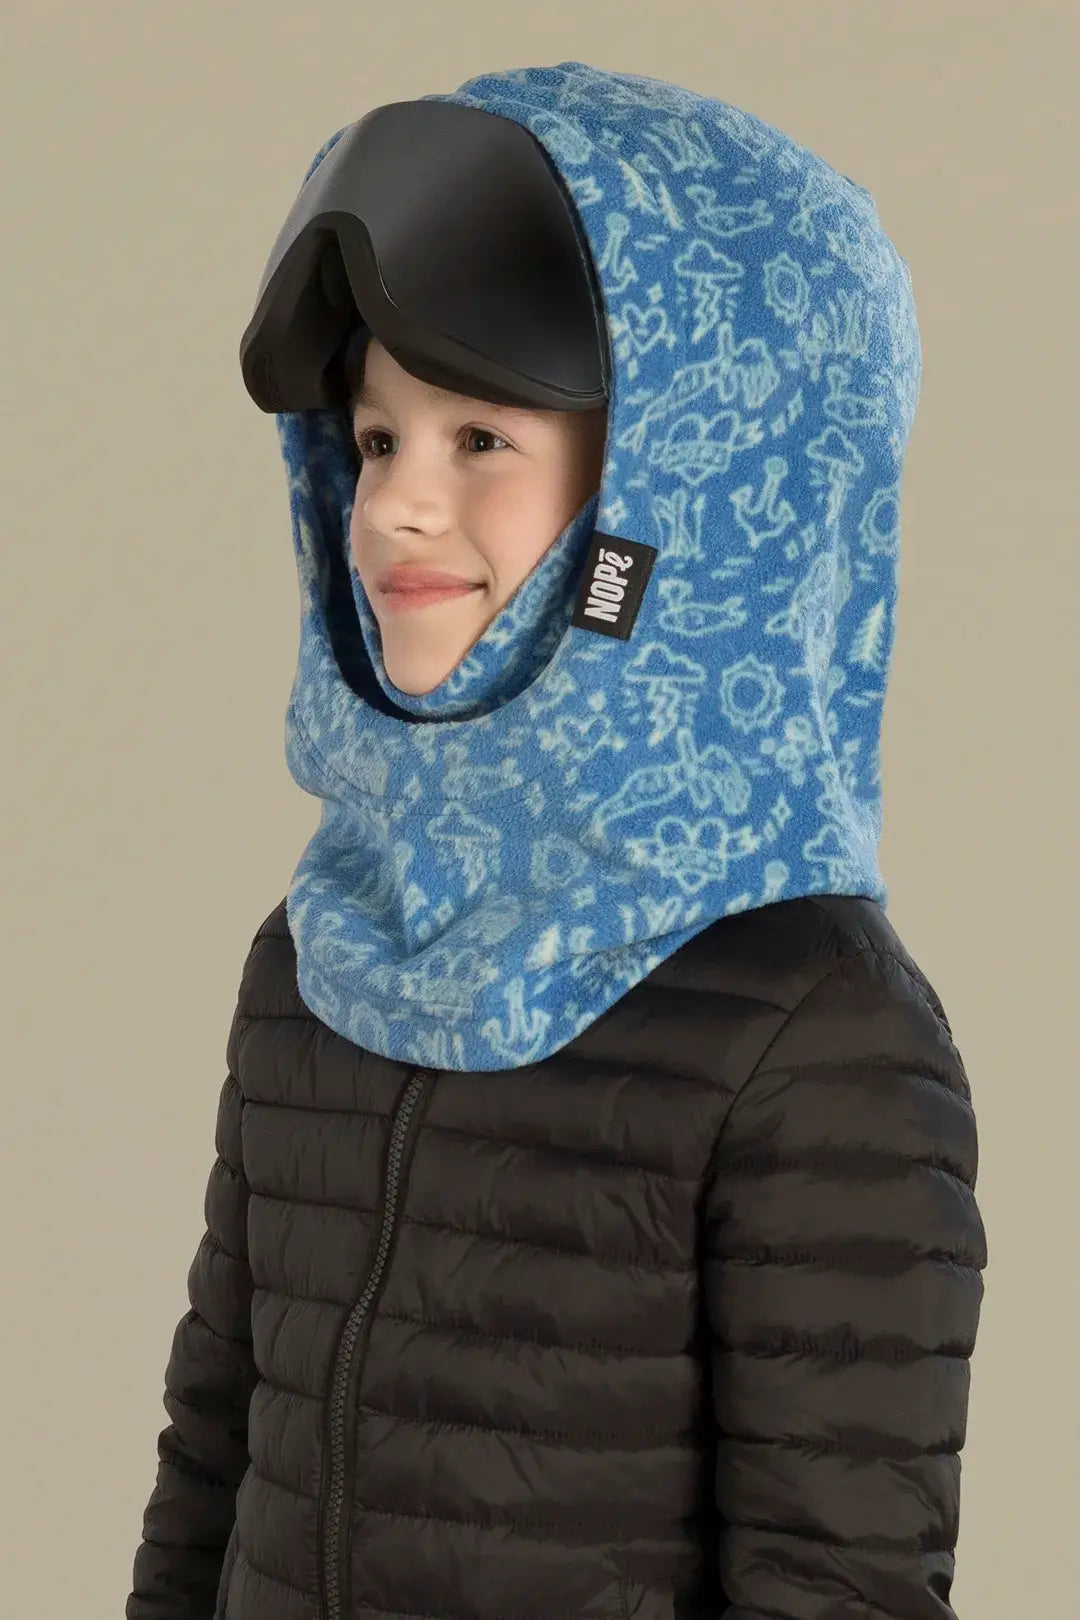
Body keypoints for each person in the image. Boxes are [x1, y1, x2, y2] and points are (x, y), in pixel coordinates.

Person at [125, 60, 987, 1620]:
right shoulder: (330, 946)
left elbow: (836, 1583)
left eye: (481, 438)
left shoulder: (813, 1031)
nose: (397, 506)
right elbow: (214, 1454)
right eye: (375, 441)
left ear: (674, 491)